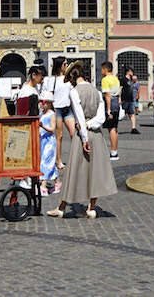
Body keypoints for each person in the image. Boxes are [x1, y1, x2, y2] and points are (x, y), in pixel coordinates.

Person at [46, 66, 117, 218]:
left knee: (74, 171)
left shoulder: (74, 91)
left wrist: (84, 135)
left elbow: (79, 116)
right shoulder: (96, 91)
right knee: (95, 171)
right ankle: (91, 207)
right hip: (97, 135)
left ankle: (61, 207)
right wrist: (90, 125)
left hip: (82, 135)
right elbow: (101, 118)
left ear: (72, 78)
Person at [38, 91, 59, 196]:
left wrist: (42, 126)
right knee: (49, 162)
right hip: (43, 141)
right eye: (40, 101)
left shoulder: (52, 115)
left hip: (49, 141)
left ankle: (43, 186)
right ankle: (57, 183)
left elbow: (52, 129)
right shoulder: (42, 113)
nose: (41, 103)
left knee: (45, 162)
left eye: (43, 101)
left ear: (50, 103)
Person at [99, 62, 120, 160]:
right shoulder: (116, 79)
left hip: (110, 103)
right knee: (115, 128)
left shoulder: (105, 80)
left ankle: (113, 152)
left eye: (102, 70)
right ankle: (115, 151)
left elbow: (107, 94)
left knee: (111, 128)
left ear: (105, 70)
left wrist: (108, 109)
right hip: (116, 103)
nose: (101, 72)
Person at [121, 68, 140, 135]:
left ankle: (133, 128)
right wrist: (120, 99)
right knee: (121, 113)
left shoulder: (132, 80)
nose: (133, 73)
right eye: (132, 72)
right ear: (128, 72)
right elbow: (120, 89)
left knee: (133, 113)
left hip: (131, 99)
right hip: (124, 98)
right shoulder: (123, 80)